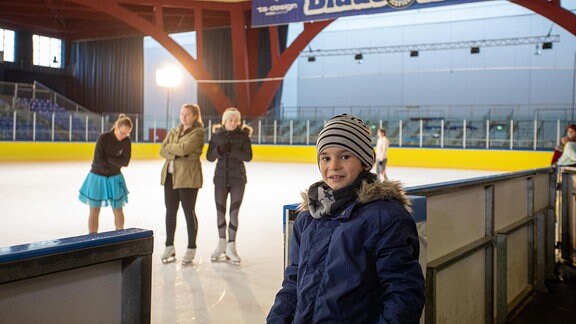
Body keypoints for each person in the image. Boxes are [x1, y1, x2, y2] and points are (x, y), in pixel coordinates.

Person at [267, 114, 425, 323]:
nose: (334, 166)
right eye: (326, 158)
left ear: (365, 161)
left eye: (345, 156)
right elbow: (292, 284)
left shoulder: (386, 219)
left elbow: (402, 295)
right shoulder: (308, 218)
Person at [206, 107, 253, 264]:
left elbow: (248, 156)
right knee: (220, 212)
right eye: (230, 119)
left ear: (238, 122)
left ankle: (231, 246)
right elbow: (209, 157)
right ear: (224, 121)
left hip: (237, 180)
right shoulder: (216, 135)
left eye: (235, 120)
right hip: (220, 179)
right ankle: (221, 244)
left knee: (233, 213)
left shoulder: (243, 136)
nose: (233, 122)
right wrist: (219, 150)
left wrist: (231, 150)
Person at [159, 103, 204, 265]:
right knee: (170, 211)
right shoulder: (175, 130)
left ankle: (191, 247)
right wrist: (177, 151)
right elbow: (162, 149)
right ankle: (169, 246)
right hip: (170, 176)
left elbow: (185, 148)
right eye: (181, 114)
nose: (183, 117)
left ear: (194, 116)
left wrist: (175, 150)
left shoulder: (198, 133)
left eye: (187, 114)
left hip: (188, 178)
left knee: (188, 211)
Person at [79, 114, 133, 234]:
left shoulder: (126, 142)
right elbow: (98, 160)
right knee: (94, 209)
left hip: (115, 177)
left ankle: (120, 236)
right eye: (122, 133)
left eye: (127, 134)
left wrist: (108, 159)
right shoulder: (103, 138)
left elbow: (125, 162)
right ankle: (92, 238)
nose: (123, 136)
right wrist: (114, 161)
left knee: (118, 208)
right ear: (116, 127)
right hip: (97, 176)